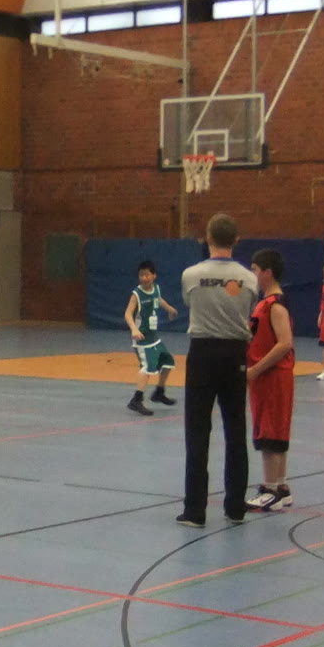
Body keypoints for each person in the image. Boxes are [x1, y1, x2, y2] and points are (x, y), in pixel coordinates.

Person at [178, 213, 262, 527]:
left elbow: (192, 304)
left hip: (202, 353)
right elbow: (248, 308)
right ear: (236, 240)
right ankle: (235, 506)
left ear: (208, 238)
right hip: (235, 353)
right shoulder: (249, 279)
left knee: (197, 431)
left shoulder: (191, 275)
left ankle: (195, 510)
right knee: (236, 429)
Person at [246, 249, 296, 513]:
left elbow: (285, 343)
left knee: (270, 432)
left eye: (255, 269)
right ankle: (282, 486)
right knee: (274, 430)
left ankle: (270, 490)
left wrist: (256, 369)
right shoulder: (263, 302)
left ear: (267, 272)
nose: (252, 274)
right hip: (267, 377)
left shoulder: (275, 305)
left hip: (272, 376)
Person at [124, 258, 179, 415]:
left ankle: (159, 392)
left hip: (153, 338)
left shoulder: (156, 289)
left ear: (154, 275)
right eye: (141, 275)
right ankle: (136, 400)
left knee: (167, 362)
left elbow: (158, 299)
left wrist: (170, 309)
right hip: (142, 339)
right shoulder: (137, 294)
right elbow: (128, 313)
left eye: (147, 275)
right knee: (147, 367)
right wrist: (134, 329)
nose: (144, 278)